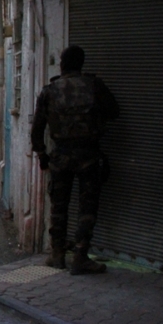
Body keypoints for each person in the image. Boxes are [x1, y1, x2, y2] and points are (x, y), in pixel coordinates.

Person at [31, 45, 120, 275]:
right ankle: (80, 256)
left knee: (59, 205)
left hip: (60, 156)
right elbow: (113, 111)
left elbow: (37, 128)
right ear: (81, 64)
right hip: (89, 155)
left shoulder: (49, 91)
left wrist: (42, 155)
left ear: (62, 64)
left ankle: (57, 254)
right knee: (87, 206)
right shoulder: (94, 86)